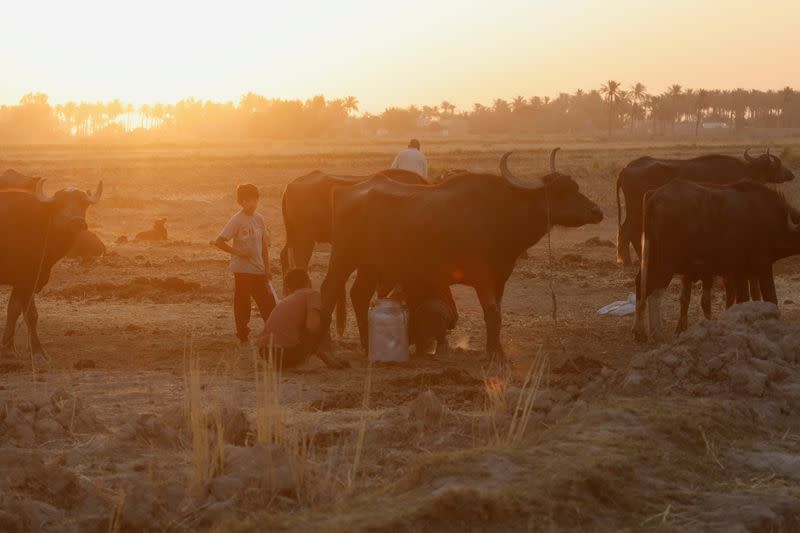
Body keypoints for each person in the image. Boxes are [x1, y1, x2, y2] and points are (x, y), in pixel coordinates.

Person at [213, 183, 276, 345]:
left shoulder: (259, 219)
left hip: (259, 269)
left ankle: (272, 332)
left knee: (267, 303)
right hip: (242, 270)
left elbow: (264, 247)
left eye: (255, 200)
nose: (252, 204)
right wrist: (238, 253)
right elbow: (219, 242)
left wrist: (267, 268)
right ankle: (243, 335)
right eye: (248, 201)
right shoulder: (236, 220)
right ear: (241, 202)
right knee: (243, 304)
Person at [257, 268, 347, 369]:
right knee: (324, 316)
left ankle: (291, 362)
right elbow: (312, 326)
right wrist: (319, 348)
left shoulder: (288, 299)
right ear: (309, 281)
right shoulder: (312, 294)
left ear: (289, 287)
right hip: (285, 353)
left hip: (265, 352)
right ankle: (320, 358)